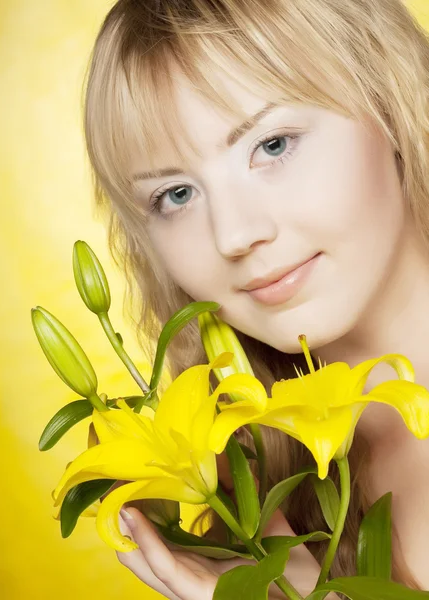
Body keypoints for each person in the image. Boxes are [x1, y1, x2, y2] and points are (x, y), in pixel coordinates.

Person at [82, 0, 429, 596]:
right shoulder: (243, 484)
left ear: (390, 101)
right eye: (177, 194)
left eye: (272, 146)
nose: (234, 235)